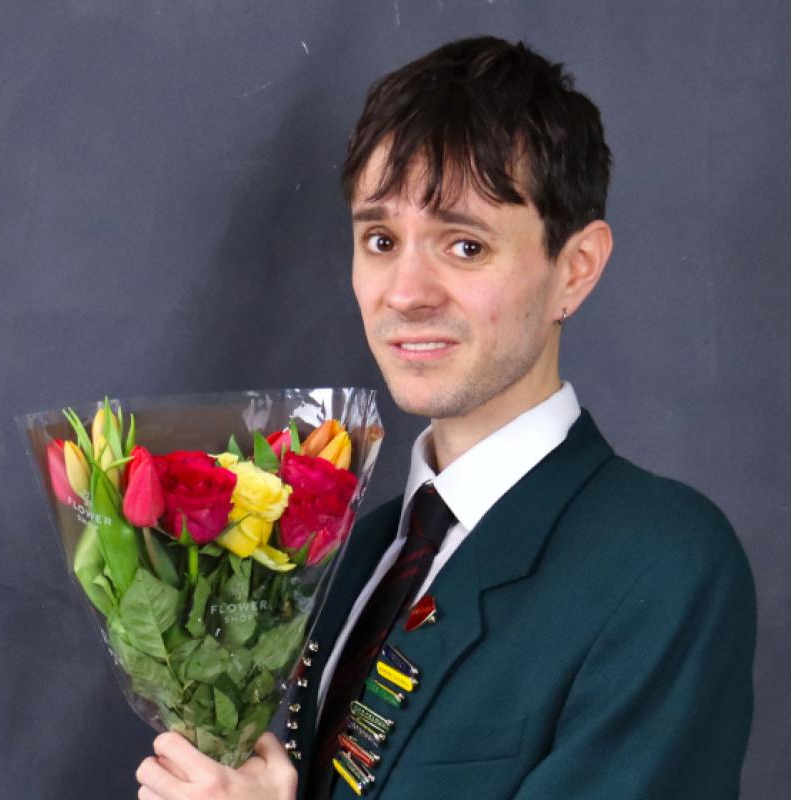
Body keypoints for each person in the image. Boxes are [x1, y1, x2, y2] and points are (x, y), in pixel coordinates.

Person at [136, 36, 756, 800]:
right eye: (381, 239)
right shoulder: (351, 555)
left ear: (576, 269)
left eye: (465, 245)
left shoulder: (660, 564)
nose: (405, 292)